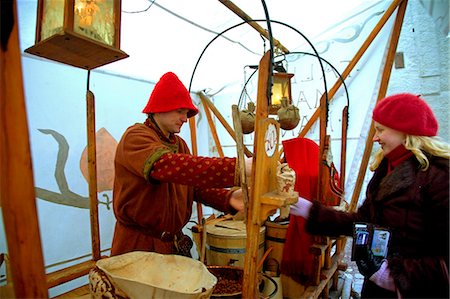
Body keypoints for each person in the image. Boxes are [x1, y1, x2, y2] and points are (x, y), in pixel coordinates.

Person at [290, 93, 449, 298]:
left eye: (380, 130)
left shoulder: (440, 177)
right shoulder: (388, 167)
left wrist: (394, 277)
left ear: (405, 131)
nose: (375, 138)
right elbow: (364, 221)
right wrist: (308, 209)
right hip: (377, 288)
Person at [111, 72, 248, 257]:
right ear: (160, 108)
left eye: (186, 113)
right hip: (139, 246)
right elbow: (167, 166)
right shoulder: (136, 137)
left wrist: (229, 198)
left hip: (172, 243)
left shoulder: (180, 144)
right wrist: (236, 168)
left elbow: (193, 188)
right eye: (180, 111)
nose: (185, 118)